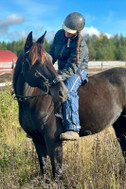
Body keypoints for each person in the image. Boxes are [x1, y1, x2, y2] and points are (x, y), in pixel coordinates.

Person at [49, 12, 89, 140]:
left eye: (70, 32)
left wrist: (60, 76)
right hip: (63, 69)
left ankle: (73, 128)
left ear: (77, 31)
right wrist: (46, 66)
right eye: (66, 30)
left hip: (78, 70)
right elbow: (52, 53)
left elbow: (72, 67)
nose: (67, 34)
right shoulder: (59, 34)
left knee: (68, 90)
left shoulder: (80, 44)